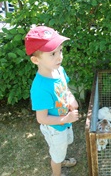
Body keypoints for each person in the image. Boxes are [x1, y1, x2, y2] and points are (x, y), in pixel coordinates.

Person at [25, 26, 79, 176]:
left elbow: (65, 89)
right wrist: (66, 118)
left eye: (60, 50)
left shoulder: (59, 70)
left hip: (64, 122)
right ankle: (57, 172)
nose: (59, 57)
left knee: (66, 143)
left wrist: (71, 98)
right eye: (53, 53)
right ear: (36, 60)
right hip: (54, 128)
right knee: (57, 154)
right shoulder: (40, 88)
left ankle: (62, 159)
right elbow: (41, 118)